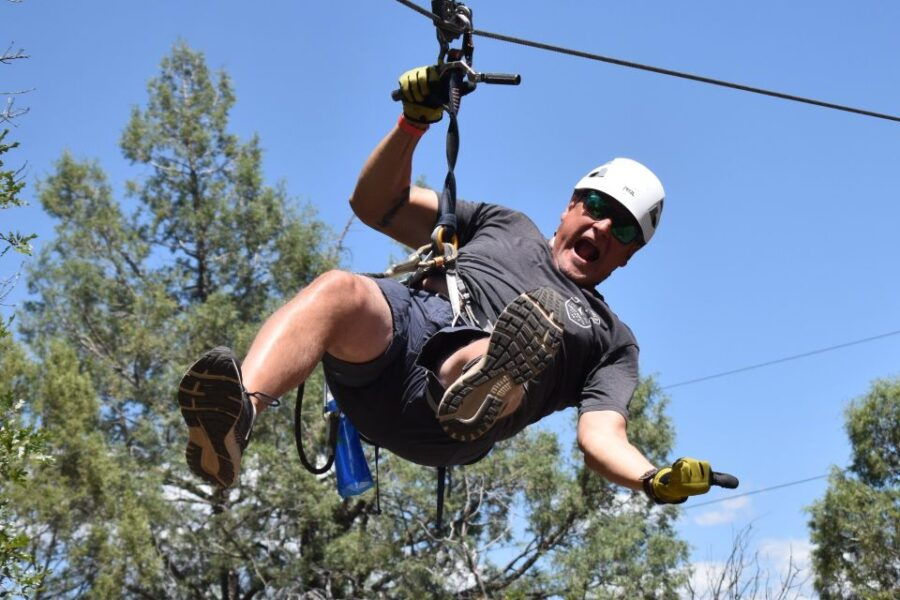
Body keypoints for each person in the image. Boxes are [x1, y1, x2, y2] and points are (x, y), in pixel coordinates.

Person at [177, 66, 726, 506]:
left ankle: (481, 378)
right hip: (390, 351)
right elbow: (375, 205)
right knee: (338, 291)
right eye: (600, 207)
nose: (604, 227)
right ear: (571, 207)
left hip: (451, 423)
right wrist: (413, 123)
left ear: (628, 255)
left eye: (624, 228)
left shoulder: (611, 339)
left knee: (506, 345)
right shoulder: (503, 223)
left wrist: (651, 479)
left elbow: (601, 437)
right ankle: (236, 416)